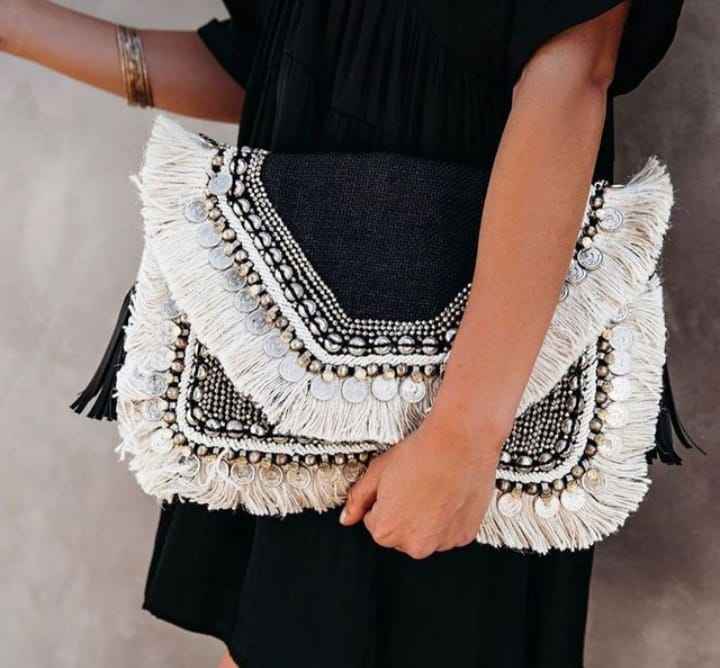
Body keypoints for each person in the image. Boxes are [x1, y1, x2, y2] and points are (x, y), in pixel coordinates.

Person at [1, 1, 686, 666]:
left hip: (472, 361)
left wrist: (464, 437)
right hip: (286, 346)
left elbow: (570, 77)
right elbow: (280, 56)